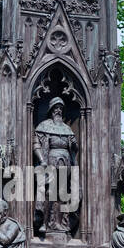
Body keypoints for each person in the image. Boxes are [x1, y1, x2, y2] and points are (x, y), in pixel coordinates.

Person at [33, 98, 78, 236]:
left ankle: (62, 223)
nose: (58, 110)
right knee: (49, 193)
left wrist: (73, 144)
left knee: (62, 193)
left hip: (65, 164)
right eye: (56, 108)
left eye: (60, 108)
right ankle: (45, 222)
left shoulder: (67, 129)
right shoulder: (43, 126)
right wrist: (42, 160)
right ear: (51, 110)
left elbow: (74, 148)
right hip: (50, 163)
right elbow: (36, 144)